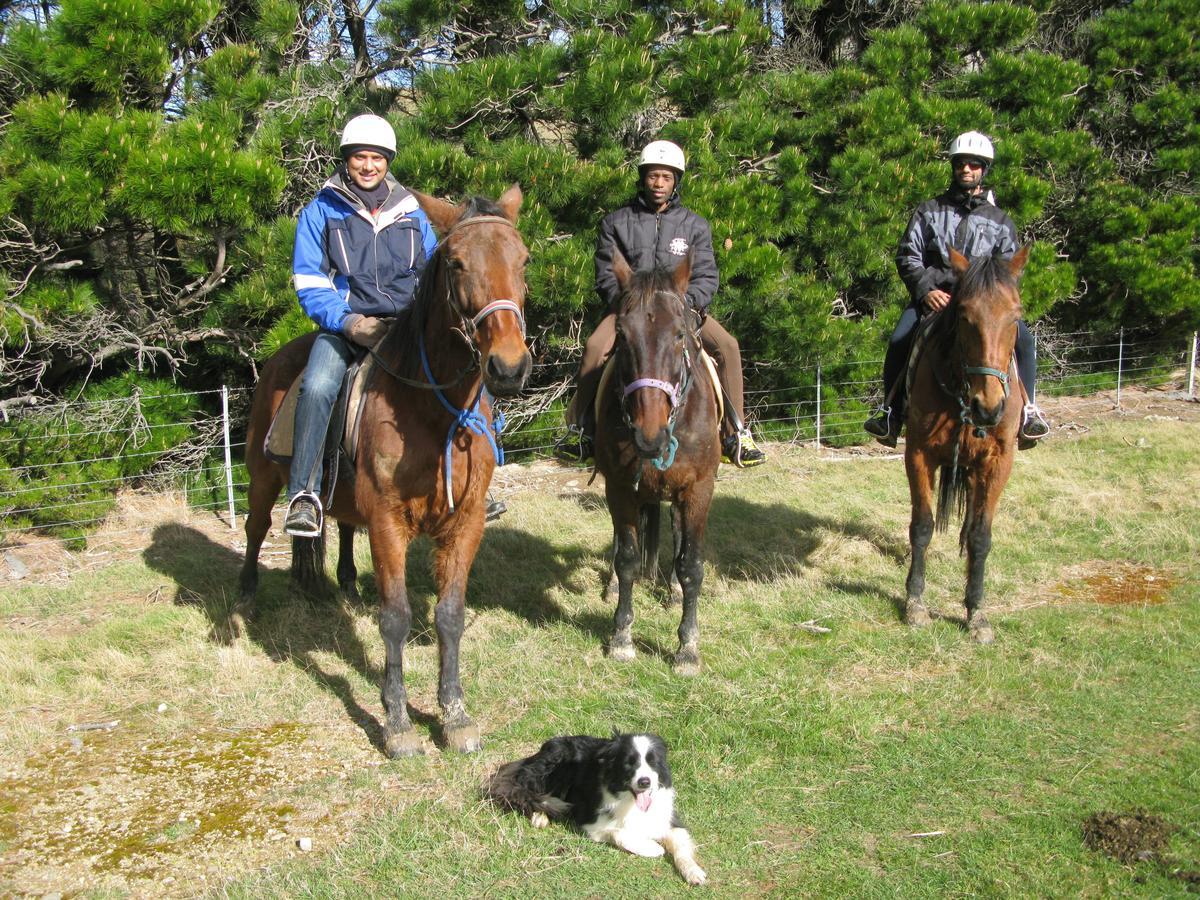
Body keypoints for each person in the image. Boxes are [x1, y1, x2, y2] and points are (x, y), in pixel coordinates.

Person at [556, 140, 767, 468]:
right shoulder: (616, 222)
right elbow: (606, 275)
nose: (658, 183)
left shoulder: (695, 225)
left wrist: (688, 306)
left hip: (679, 311)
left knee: (727, 346)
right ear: (643, 178)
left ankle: (735, 433)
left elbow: (706, 275)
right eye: (653, 176)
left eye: (666, 178)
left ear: (675, 182)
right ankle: (581, 432)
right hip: (631, 310)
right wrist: (627, 305)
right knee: (595, 347)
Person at [283, 114, 439, 537]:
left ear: (388, 161)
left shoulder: (412, 213)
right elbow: (312, 284)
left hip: (406, 329)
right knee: (316, 387)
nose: (368, 166)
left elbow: (434, 274)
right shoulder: (321, 212)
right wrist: (352, 324)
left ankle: (471, 477)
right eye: (359, 157)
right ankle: (304, 495)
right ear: (346, 160)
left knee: (463, 371)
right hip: (345, 330)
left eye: (376, 158)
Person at [864, 130, 1051, 448]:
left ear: (984, 169)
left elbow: (1006, 271)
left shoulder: (1000, 221)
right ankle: (890, 413)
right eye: (961, 163)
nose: (966, 169)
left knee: (1025, 342)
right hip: (934, 301)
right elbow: (908, 254)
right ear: (953, 167)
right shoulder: (929, 211)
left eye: (974, 164)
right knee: (899, 340)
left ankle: (1030, 411)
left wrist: (989, 301)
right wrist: (925, 290)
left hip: (981, 306)